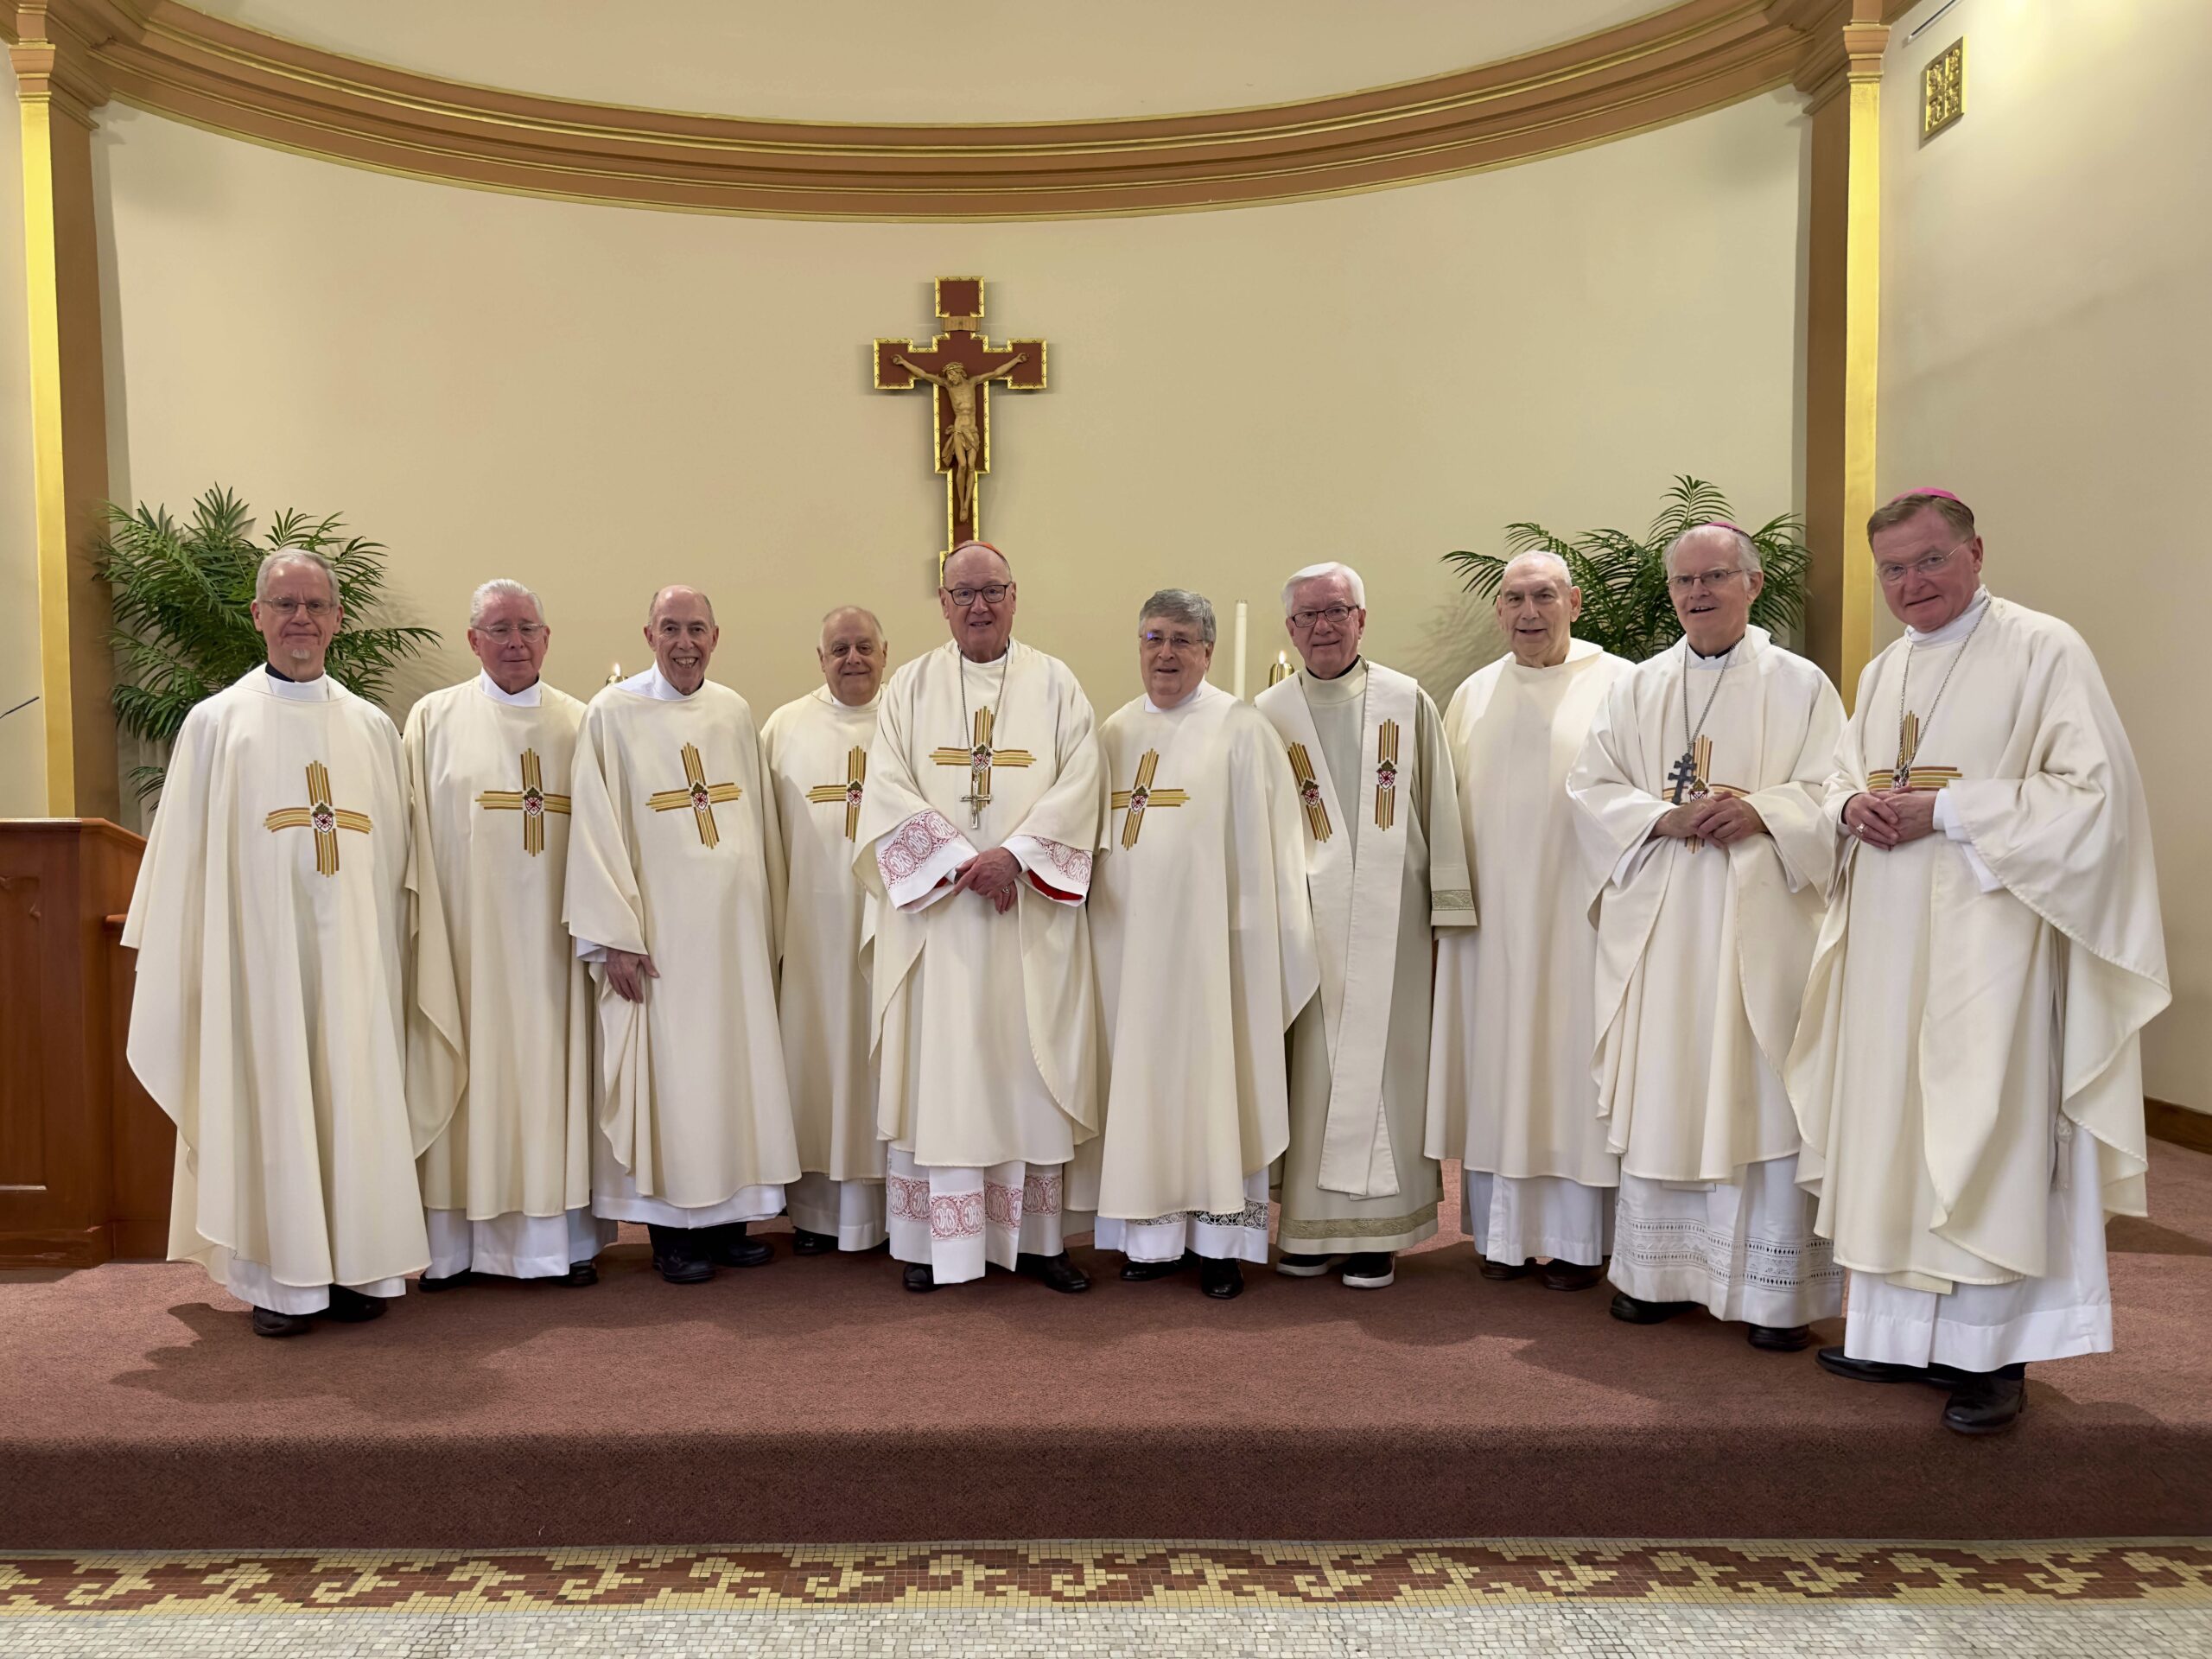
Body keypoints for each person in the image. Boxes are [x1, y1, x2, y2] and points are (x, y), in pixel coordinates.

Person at [1789, 489, 2168, 1434]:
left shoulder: (2044, 649)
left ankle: (1991, 1356)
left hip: (1989, 939)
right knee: (1891, 1123)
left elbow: (2092, 799)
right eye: (1891, 570)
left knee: (1982, 1127)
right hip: (1887, 939)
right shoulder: (1882, 673)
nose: (1908, 584)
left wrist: (1948, 812)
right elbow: (1839, 777)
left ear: (1974, 553)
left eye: (1927, 561)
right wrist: (1848, 811)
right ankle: (1895, 1332)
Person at [123, 550, 429, 1336]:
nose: (301, 619)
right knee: (274, 1096)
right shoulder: (218, 723)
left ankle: (361, 1267)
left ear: (336, 620)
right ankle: (280, 1283)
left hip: (355, 960)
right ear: (257, 616)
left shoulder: (369, 727)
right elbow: (183, 862)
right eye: (285, 604)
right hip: (259, 967)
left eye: (316, 605)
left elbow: (398, 863)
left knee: (353, 1092)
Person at [1567, 524, 1844, 1350]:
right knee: (1669, 1077)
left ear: (1753, 585)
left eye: (1715, 576)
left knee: (1754, 1084)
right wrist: (1662, 815)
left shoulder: (1801, 685)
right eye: (1685, 581)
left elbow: (1838, 788)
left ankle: (1771, 1295)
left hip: (1757, 920)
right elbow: (1590, 786)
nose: (1697, 593)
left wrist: (1766, 809)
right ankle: (1655, 1278)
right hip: (1663, 917)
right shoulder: (1639, 686)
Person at [855, 540, 1105, 1294]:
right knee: (949, 1072)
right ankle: (937, 1245)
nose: (979, 606)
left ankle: (1037, 1242)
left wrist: (1016, 857)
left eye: (992, 590)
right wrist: (962, 862)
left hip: (1024, 914)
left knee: (1026, 1068)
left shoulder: (1056, 684)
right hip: (943, 923)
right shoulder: (909, 687)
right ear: (942, 604)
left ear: (1015, 595)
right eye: (963, 594)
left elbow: (1082, 780)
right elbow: (887, 785)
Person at [1075, 590, 1319, 1300]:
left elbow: (1269, 849)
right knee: (1142, 1082)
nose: (1167, 653)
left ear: (1208, 652)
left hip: (1217, 954)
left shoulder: (1241, 729)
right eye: (1153, 637)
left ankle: (1218, 1243)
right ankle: (1149, 1239)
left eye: (1183, 639)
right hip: (1128, 951)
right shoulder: (1115, 732)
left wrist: (1250, 944)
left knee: (1216, 1083)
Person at [563, 586, 800, 1283]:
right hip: (659, 938)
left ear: (716, 637)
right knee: (672, 1077)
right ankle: (672, 1230)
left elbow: (755, 821)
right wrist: (615, 936)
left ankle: (728, 1221)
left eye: (696, 629)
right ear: (648, 634)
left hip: (729, 939)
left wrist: (766, 919)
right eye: (671, 629)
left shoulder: (732, 711)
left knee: (731, 1069)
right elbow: (596, 830)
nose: (684, 643)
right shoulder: (612, 713)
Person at [1255, 561, 1474, 1289]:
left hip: (1395, 921)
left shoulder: (1405, 701)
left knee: (1389, 1067)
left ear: (1361, 619)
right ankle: (1311, 1229)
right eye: (1308, 615)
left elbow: (1438, 804)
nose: (1323, 626)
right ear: (1289, 628)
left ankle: (1383, 1231)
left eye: (1337, 611)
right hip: (1304, 923)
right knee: (1311, 1071)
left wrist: (1448, 906)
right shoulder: (1267, 714)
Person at [1427, 551, 1632, 1290]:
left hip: (1581, 919)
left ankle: (1579, 1244)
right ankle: (1503, 1237)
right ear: (1498, 612)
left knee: (1568, 1067)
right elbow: (1444, 809)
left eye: (1544, 595)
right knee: (1499, 1063)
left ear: (1575, 602)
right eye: (1513, 598)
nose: (1528, 612)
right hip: (1490, 925)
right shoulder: (1476, 693)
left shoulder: (1622, 684)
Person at [404, 579, 612, 1290]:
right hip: (466, 948)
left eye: (527, 627)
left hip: (555, 946)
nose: (515, 642)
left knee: (554, 1075)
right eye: (498, 629)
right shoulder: (432, 720)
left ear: (548, 639)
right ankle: (457, 1247)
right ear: (472, 641)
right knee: (471, 1069)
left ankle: (557, 1245)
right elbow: (410, 844)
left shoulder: (584, 723)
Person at [759, 606, 893, 1254]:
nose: (852, 659)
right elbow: (763, 837)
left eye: (864, 646)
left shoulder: (909, 720)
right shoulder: (784, 727)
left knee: (884, 1056)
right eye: (838, 648)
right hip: (810, 928)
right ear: (820, 659)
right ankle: (815, 1213)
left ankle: (898, 1208)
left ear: (885, 653)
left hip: (894, 922)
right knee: (816, 1056)